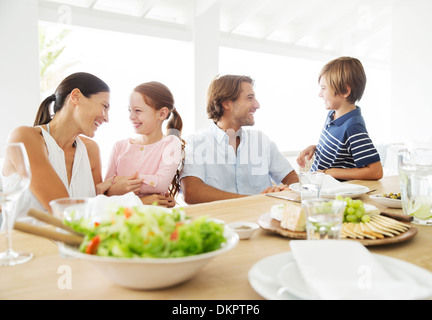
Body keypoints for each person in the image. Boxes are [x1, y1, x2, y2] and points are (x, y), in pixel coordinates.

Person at [4, 72, 110, 222]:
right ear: (76, 96)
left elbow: (96, 212)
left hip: (73, 245)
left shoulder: (91, 150)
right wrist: (133, 203)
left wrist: (112, 192)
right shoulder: (25, 137)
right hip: (24, 245)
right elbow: (66, 210)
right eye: (104, 106)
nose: (106, 118)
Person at [180, 74, 298, 204]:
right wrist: (254, 201)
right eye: (249, 98)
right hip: (220, 222)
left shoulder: (261, 141)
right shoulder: (195, 143)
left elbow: (292, 178)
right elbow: (192, 192)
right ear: (227, 104)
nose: (257, 105)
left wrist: (283, 190)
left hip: (261, 220)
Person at [297, 56, 383, 180]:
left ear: (345, 91)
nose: (319, 94)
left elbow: (376, 172)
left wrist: (328, 173)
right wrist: (316, 148)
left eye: (323, 88)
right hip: (316, 186)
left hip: (334, 194)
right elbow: (341, 151)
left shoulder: (353, 127)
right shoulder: (332, 115)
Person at [100, 81, 184, 208]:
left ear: (162, 114)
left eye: (138, 110)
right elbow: (105, 192)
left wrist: (120, 183)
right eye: (129, 110)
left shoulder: (171, 144)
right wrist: (113, 187)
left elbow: (160, 184)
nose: (131, 116)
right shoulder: (119, 147)